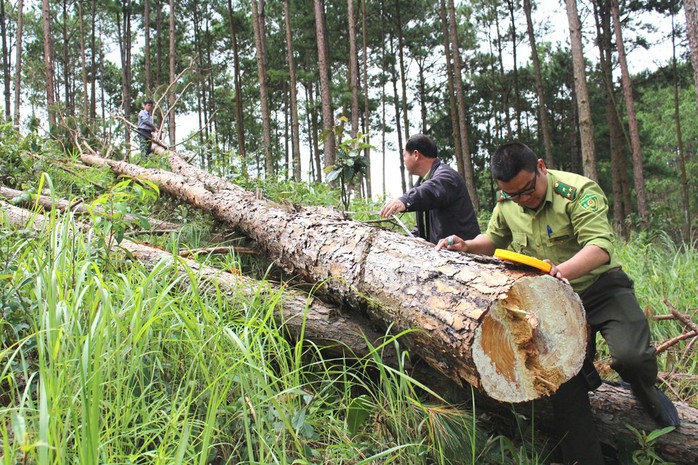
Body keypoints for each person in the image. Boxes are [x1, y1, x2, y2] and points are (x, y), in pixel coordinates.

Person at [435, 142, 680, 465]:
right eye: (513, 195)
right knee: (563, 383)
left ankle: (644, 388)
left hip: (599, 287)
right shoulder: (507, 202)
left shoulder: (577, 192)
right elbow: (493, 241)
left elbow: (600, 247)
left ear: (540, 166)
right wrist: (466, 245)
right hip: (551, 300)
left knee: (631, 357)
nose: (523, 199)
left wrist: (560, 271)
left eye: (527, 190)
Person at [380, 133, 480, 244]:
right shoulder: (423, 183)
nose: (404, 160)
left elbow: (431, 191)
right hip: (442, 254)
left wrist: (405, 200)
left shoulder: (446, 177)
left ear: (416, 155)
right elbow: (423, 227)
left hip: (464, 255)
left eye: (404, 155)